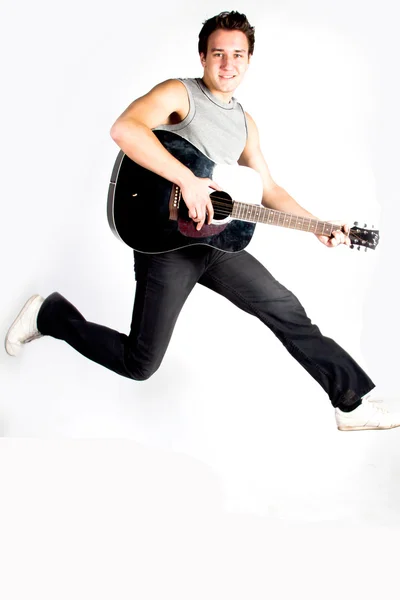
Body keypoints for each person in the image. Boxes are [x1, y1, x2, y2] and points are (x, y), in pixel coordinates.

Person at [5, 11, 399, 431]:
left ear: (249, 61)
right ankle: (49, 316)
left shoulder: (246, 125)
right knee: (140, 363)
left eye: (237, 55)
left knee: (286, 310)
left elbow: (269, 191)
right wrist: (187, 181)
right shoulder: (180, 94)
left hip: (217, 243)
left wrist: (319, 225)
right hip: (164, 239)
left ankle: (351, 402)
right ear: (202, 57)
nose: (227, 64)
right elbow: (125, 129)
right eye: (218, 54)